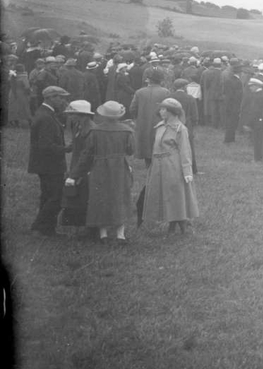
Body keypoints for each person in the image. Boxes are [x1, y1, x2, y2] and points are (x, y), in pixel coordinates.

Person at [65, 100, 134, 244]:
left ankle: (103, 234)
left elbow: (87, 154)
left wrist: (74, 174)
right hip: (120, 167)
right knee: (120, 196)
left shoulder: (95, 131)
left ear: (103, 115)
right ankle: (120, 235)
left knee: (99, 197)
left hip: (100, 167)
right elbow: (131, 150)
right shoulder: (127, 130)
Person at [143, 97, 199, 235]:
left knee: (176, 194)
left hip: (173, 165)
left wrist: (187, 171)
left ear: (172, 112)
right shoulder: (160, 126)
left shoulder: (181, 129)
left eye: (164, 109)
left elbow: (185, 151)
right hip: (159, 166)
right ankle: (172, 223)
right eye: (161, 109)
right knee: (164, 194)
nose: (161, 111)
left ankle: (182, 224)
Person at [29, 86, 71, 236]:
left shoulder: (46, 113)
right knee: (56, 197)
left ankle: (47, 229)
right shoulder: (46, 117)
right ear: (50, 98)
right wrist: (65, 149)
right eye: (60, 97)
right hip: (49, 164)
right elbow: (46, 145)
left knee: (48, 195)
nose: (63, 101)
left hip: (45, 163)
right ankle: (38, 226)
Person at [60, 99, 95, 234]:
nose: (69, 117)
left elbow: (88, 153)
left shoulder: (91, 130)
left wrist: (75, 173)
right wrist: (66, 148)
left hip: (86, 168)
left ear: (83, 115)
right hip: (77, 164)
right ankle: (78, 227)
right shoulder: (77, 126)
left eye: (72, 114)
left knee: (84, 196)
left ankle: (90, 229)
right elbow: (76, 143)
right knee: (75, 196)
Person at [129, 69, 171, 166]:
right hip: (161, 120)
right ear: (160, 80)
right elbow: (169, 108)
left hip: (143, 121)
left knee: (145, 140)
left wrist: (138, 117)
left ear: (148, 80)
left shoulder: (139, 92)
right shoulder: (165, 92)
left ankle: (148, 162)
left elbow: (132, 108)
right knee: (159, 140)